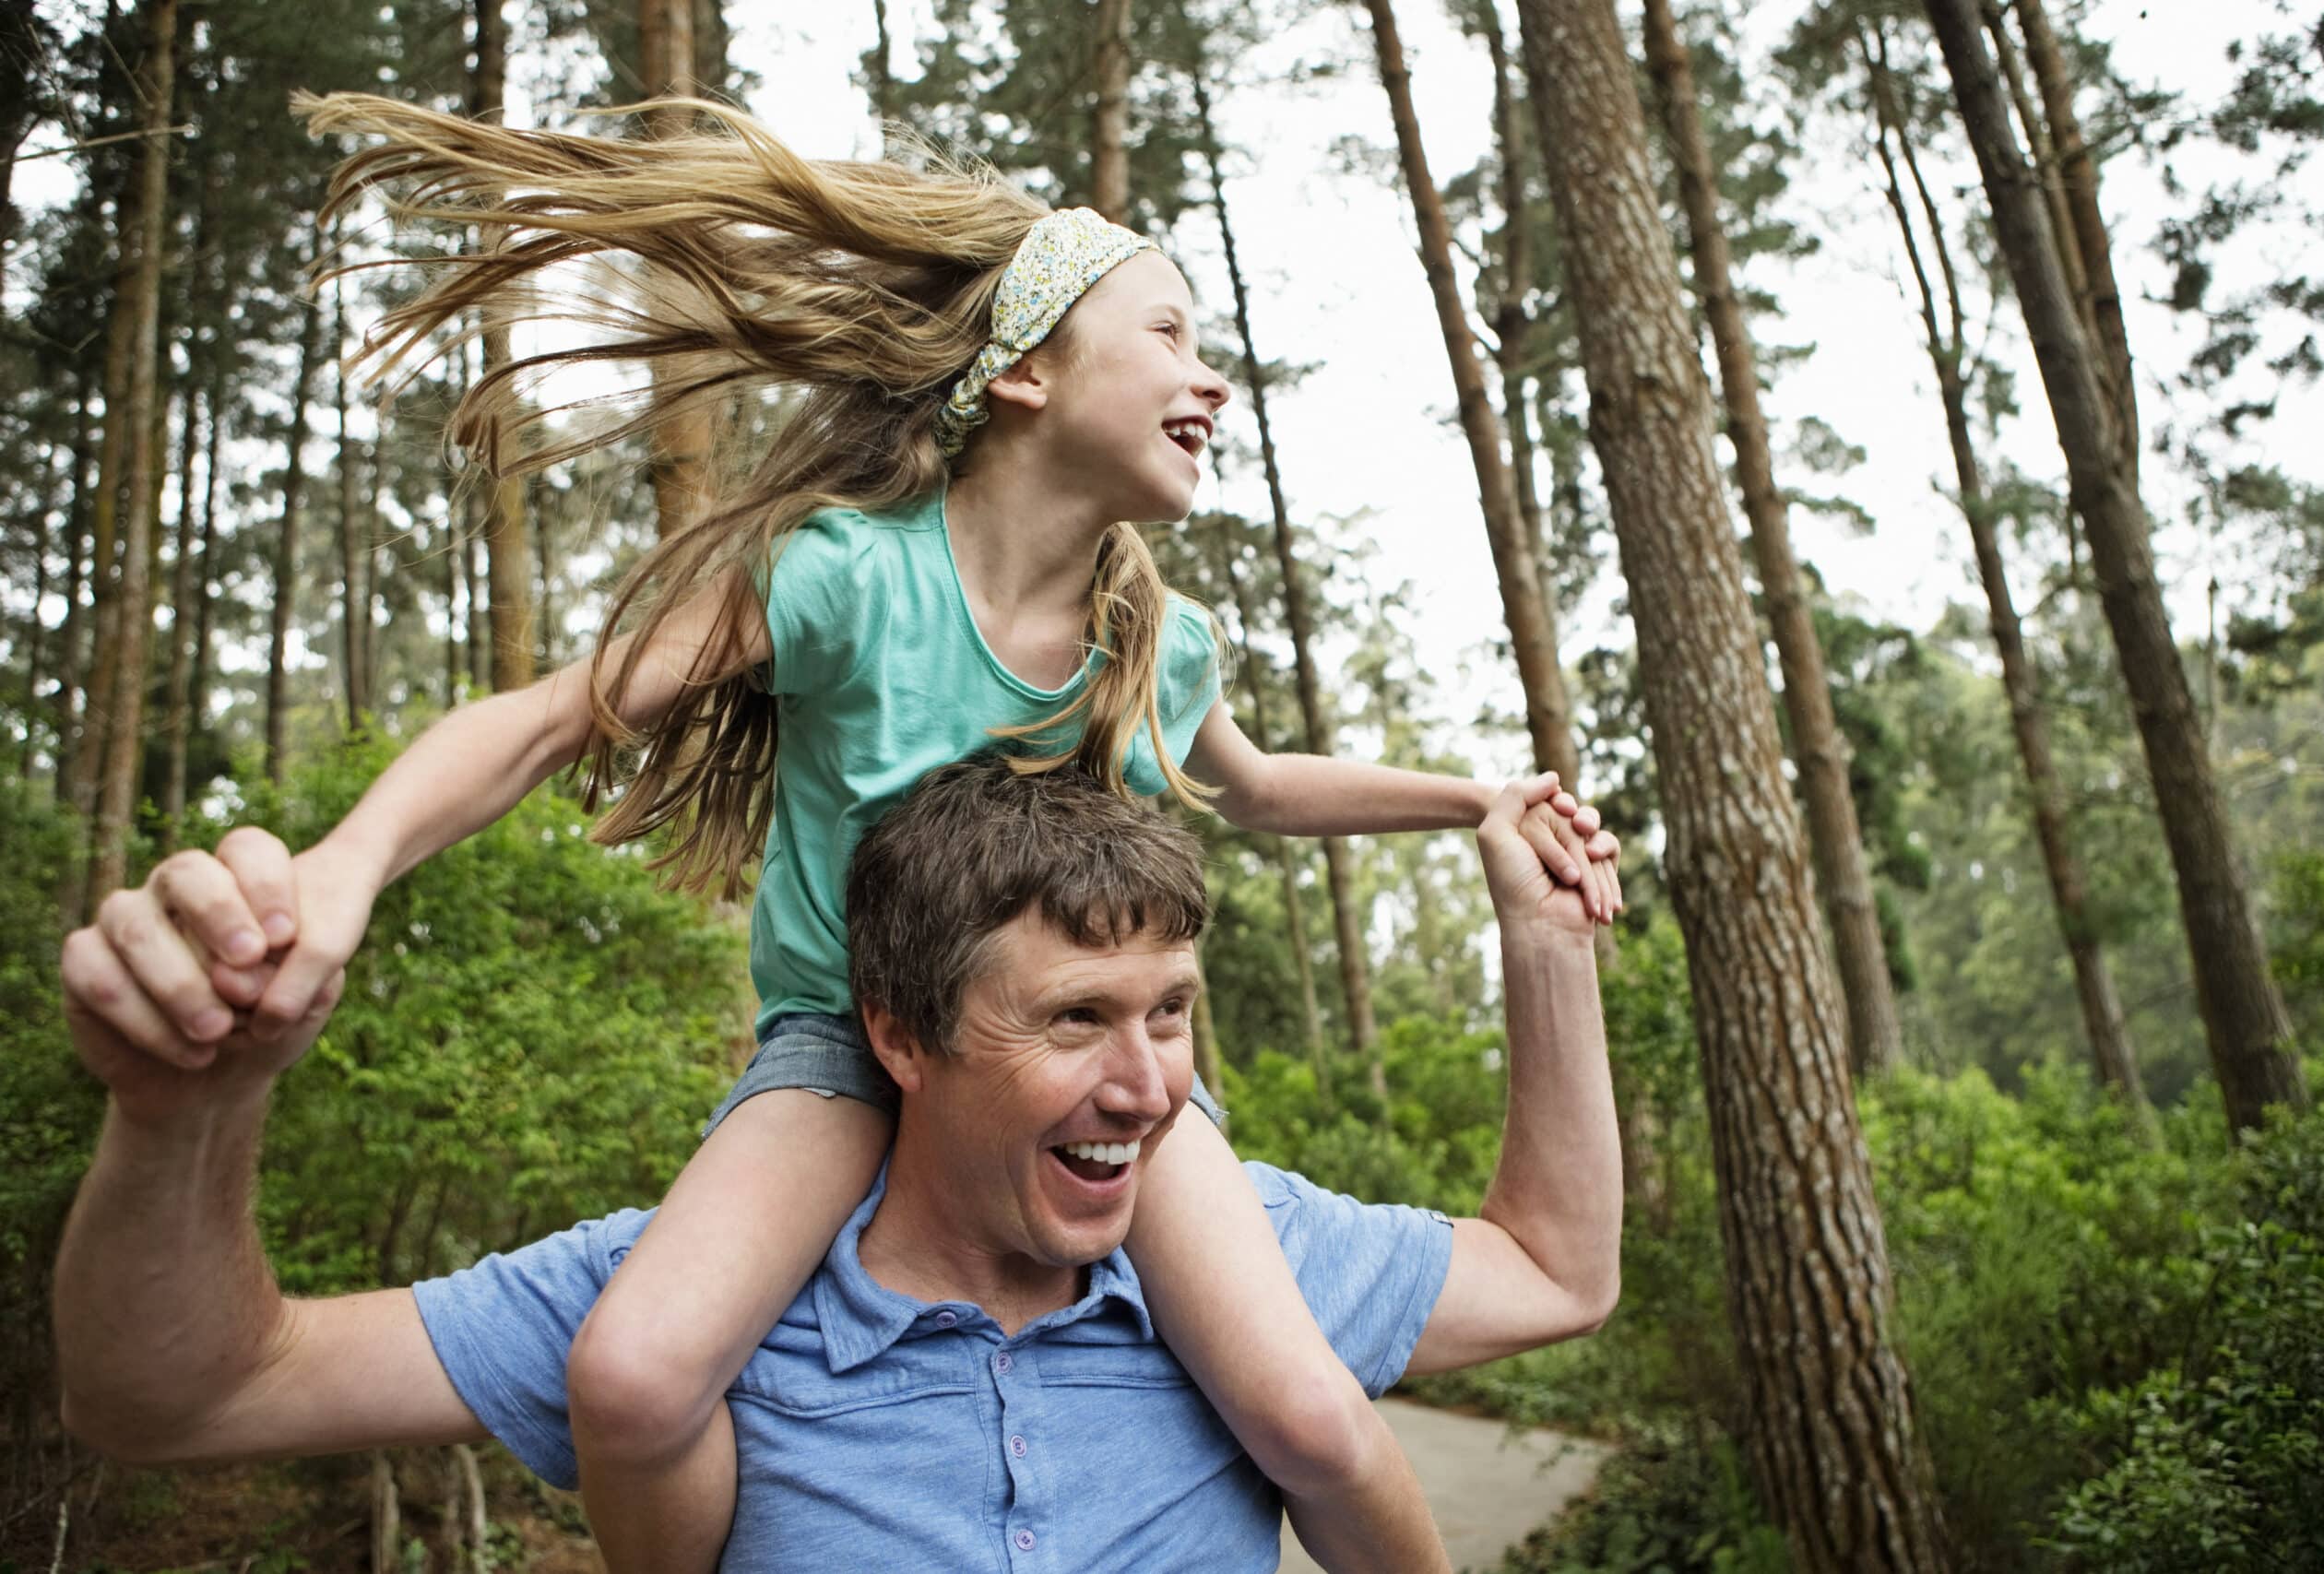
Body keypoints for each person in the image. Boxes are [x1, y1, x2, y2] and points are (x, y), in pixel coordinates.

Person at [114, 92, 1621, 1573]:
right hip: (844, 1045)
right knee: (635, 1376)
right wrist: (348, 862)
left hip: (1076, 1068)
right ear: (1024, 371)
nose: (1212, 379)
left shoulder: (1155, 630)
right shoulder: (848, 576)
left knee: (1309, 1408)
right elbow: (556, 717)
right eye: (1167, 333)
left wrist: (1476, 801)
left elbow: (1270, 786)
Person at [55, 755, 1626, 1569]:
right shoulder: (692, 1297)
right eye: (1075, 1019)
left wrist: (1548, 950)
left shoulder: (1244, 1266)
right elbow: (179, 1395)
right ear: (899, 1035)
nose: (1148, 1089)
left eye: (1173, 1014)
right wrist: (187, 1112)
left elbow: (1557, 1272)